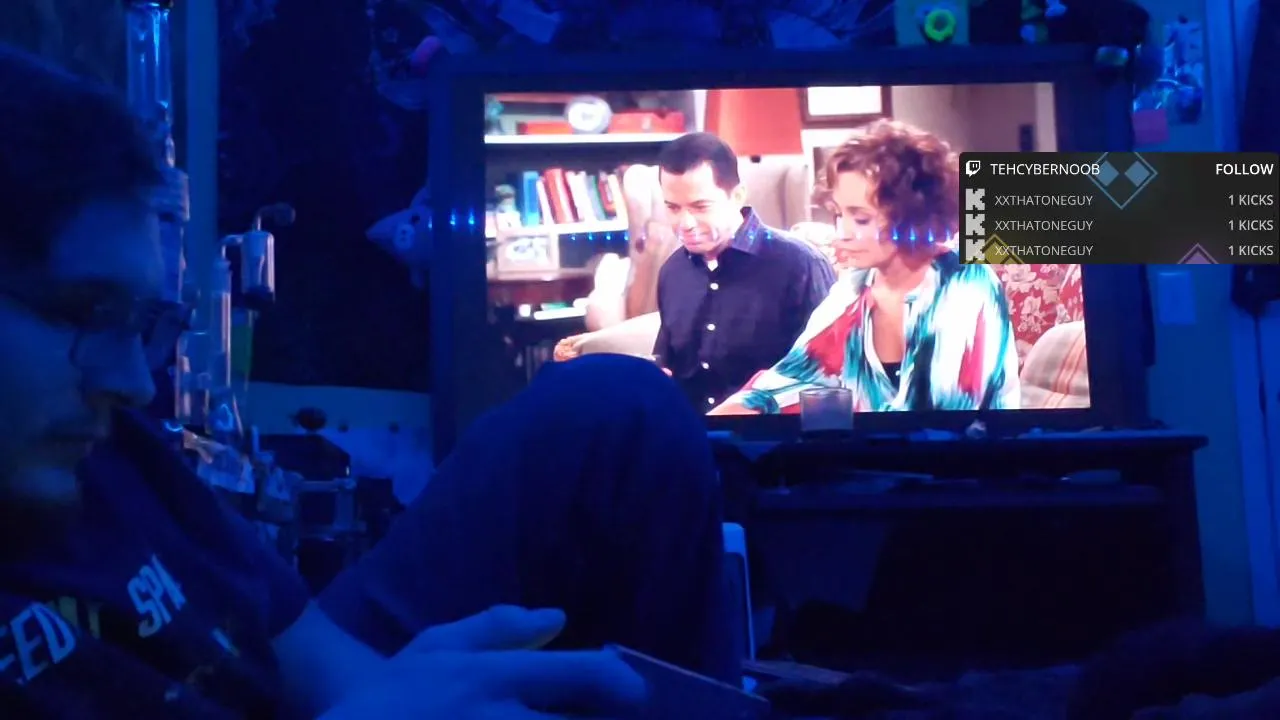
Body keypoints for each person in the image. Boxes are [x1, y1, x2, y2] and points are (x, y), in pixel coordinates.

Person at [0, 44, 736, 717]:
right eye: (85, 311)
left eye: (139, 325)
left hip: (288, 689)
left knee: (616, 407)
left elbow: (316, 661)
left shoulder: (111, 452)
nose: (132, 383)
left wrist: (397, 693)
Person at [709, 121, 1020, 414]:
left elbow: (941, 415)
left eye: (860, 219)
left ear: (912, 215)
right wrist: (730, 416)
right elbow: (794, 378)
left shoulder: (966, 284)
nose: (842, 232)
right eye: (838, 214)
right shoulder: (854, 288)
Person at [651, 132, 836, 412]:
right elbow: (667, 363)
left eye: (700, 207)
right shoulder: (672, 271)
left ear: (737, 196)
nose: (685, 223)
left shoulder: (800, 265)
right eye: (673, 208)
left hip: (772, 432)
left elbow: (828, 378)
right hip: (690, 431)